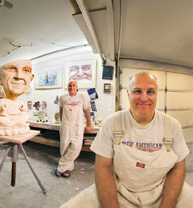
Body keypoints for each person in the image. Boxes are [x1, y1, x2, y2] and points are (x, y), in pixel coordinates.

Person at [61, 72, 193, 207]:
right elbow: (103, 167)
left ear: (156, 95)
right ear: (128, 94)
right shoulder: (111, 123)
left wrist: (168, 204)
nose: (144, 97)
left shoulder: (172, 125)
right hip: (119, 190)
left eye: (150, 92)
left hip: (162, 189)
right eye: (137, 91)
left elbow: (178, 167)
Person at [56, 81, 92, 177]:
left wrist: (89, 124)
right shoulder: (62, 97)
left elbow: (87, 112)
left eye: (73, 86)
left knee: (75, 147)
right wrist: (62, 122)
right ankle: (68, 168)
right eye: (70, 86)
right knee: (64, 147)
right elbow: (61, 111)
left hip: (77, 126)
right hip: (66, 125)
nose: (71, 87)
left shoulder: (82, 97)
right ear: (67, 87)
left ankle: (61, 167)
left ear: (77, 87)